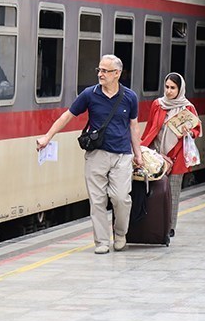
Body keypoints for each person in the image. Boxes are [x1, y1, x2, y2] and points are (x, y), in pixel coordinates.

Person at [36, 54, 142, 254]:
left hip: (122, 155)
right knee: (97, 200)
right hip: (96, 155)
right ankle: (101, 242)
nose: (100, 74)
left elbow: (133, 127)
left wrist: (139, 154)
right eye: (99, 70)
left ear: (117, 74)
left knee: (120, 198)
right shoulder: (89, 94)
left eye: (105, 71)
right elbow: (67, 116)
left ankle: (120, 234)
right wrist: (47, 137)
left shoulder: (130, 97)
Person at [140, 72, 202, 238]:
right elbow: (151, 127)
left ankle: (170, 226)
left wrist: (190, 132)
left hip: (178, 156)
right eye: (167, 87)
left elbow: (197, 129)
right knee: (154, 191)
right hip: (157, 154)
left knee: (173, 193)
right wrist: (142, 148)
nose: (168, 91)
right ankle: (155, 222)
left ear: (180, 89)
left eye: (173, 88)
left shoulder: (187, 107)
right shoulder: (158, 104)